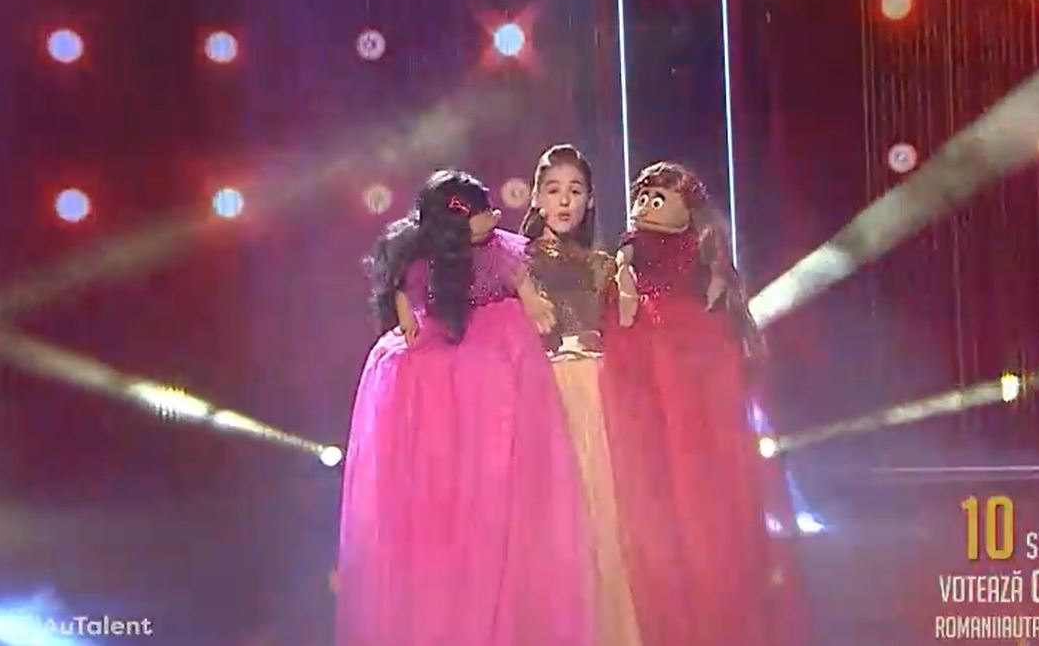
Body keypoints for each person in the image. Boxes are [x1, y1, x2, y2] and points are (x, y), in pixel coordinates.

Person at [336, 170, 593, 646]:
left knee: (494, 419)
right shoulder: (422, 255)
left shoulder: (500, 249)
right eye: (480, 212)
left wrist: (534, 303)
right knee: (421, 384)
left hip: (496, 341)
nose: (492, 217)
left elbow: (521, 280)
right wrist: (405, 312)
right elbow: (400, 286)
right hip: (445, 344)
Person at [601, 161, 793, 646]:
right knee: (653, 456)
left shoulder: (702, 247)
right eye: (642, 196)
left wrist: (719, 288)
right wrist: (625, 286)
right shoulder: (631, 245)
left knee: (700, 456)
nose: (646, 205)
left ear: (689, 207)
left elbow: (719, 282)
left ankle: (713, 568)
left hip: (692, 348)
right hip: (646, 345)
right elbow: (622, 273)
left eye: (659, 198)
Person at [519, 145, 641, 646]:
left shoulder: (602, 266)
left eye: (575, 190)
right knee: (551, 524)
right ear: (536, 198)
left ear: (590, 199)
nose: (564, 201)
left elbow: (628, 328)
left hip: (598, 396)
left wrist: (628, 278)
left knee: (602, 522)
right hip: (542, 396)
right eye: (553, 190)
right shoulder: (516, 263)